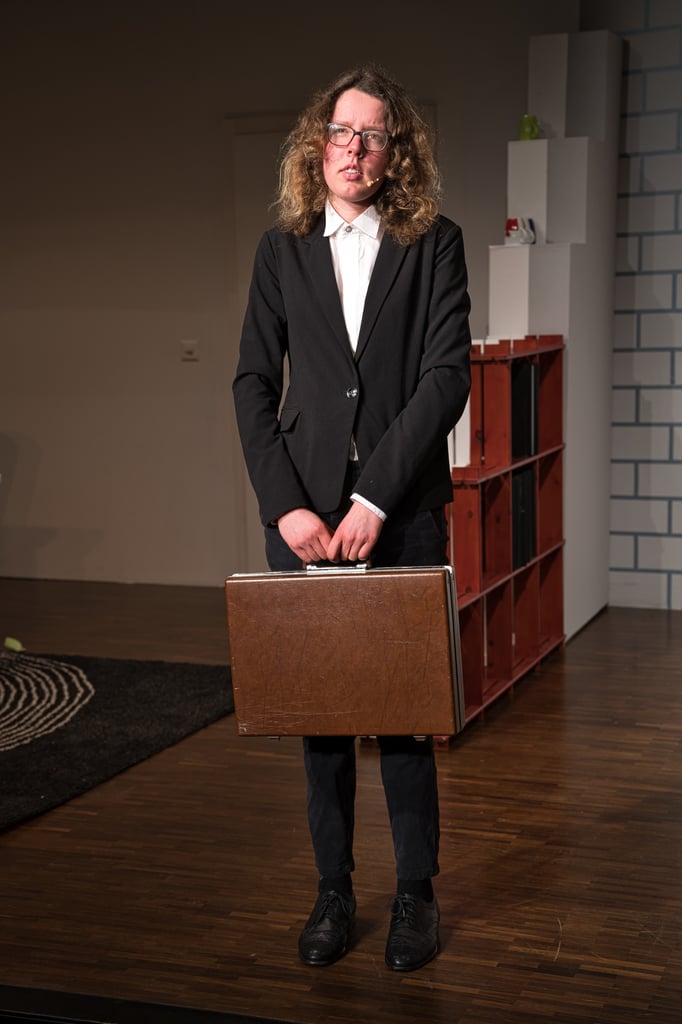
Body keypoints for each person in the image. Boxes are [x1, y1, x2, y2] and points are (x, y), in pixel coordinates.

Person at [232, 63, 471, 972]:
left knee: (405, 715)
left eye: (373, 134)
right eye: (341, 131)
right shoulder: (280, 249)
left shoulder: (435, 243)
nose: (354, 148)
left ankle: (417, 895)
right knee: (322, 716)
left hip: (400, 509)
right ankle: (333, 889)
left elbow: (445, 378)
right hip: (304, 515)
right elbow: (253, 383)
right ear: (318, 143)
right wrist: (286, 505)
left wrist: (376, 497)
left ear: (394, 150)